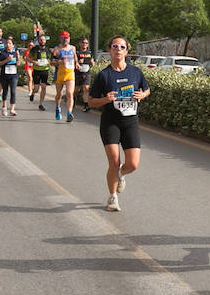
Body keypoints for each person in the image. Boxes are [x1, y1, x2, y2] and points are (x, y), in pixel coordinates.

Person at [86, 35, 151, 211]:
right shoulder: (104, 75)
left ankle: (121, 174)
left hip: (130, 122)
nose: (118, 50)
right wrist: (105, 100)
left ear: (127, 51)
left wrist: (142, 95)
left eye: (122, 47)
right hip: (110, 122)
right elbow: (91, 101)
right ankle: (112, 197)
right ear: (109, 50)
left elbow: (147, 89)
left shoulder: (135, 72)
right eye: (115, 46)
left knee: (133, 164)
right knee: (114, 162)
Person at [52, 31, 79, 122]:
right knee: (59, 94)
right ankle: (57, 108)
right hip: (60, 74)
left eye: (67, 38)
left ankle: (69, 113)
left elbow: (75, 57)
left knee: (69, 93)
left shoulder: (73, 48)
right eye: (63, 38)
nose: (65, 40)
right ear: (60, 38)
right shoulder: (57, 49)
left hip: (70, 74)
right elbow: (51, 62)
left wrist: (77, 63)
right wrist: (59, 62)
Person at [0, 38, 21, 116]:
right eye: (7, 43)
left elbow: (17, 62)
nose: (8, 45)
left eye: (9, 43)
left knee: (13, 91)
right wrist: (7, 60)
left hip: (13, 75)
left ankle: (12, 109)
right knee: (5, 91)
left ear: (13, 45)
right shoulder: (2, 53)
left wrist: (18, 62)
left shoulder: (15, 53)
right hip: (4, 75)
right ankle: (4, 107)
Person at [26, 32, 52, 109]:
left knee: (44, 87)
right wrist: (34, 62)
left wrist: (50, 62)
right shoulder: (34, 49)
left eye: (43, 40)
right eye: (41, 40)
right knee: (36, 88)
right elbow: (27, 58)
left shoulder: (48, 50)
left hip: (45, 70)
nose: (42, 41)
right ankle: (33, 94)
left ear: (45, 41)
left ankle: (41, 104)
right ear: (38, 41)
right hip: (37, 70)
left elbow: (52, 59)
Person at [75, 38, 95, 113]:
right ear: (80, 43)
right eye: (83, 43)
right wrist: (78, 62)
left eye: (86, 43)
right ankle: (73, 99)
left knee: (86, 88)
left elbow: (92, 62)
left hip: (86, 72)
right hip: (78, 73)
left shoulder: (89, 53)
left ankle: (86, 105)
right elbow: (73, 63)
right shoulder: (77, 53)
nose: (85, 44)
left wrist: (92, 63)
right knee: (76, 90)